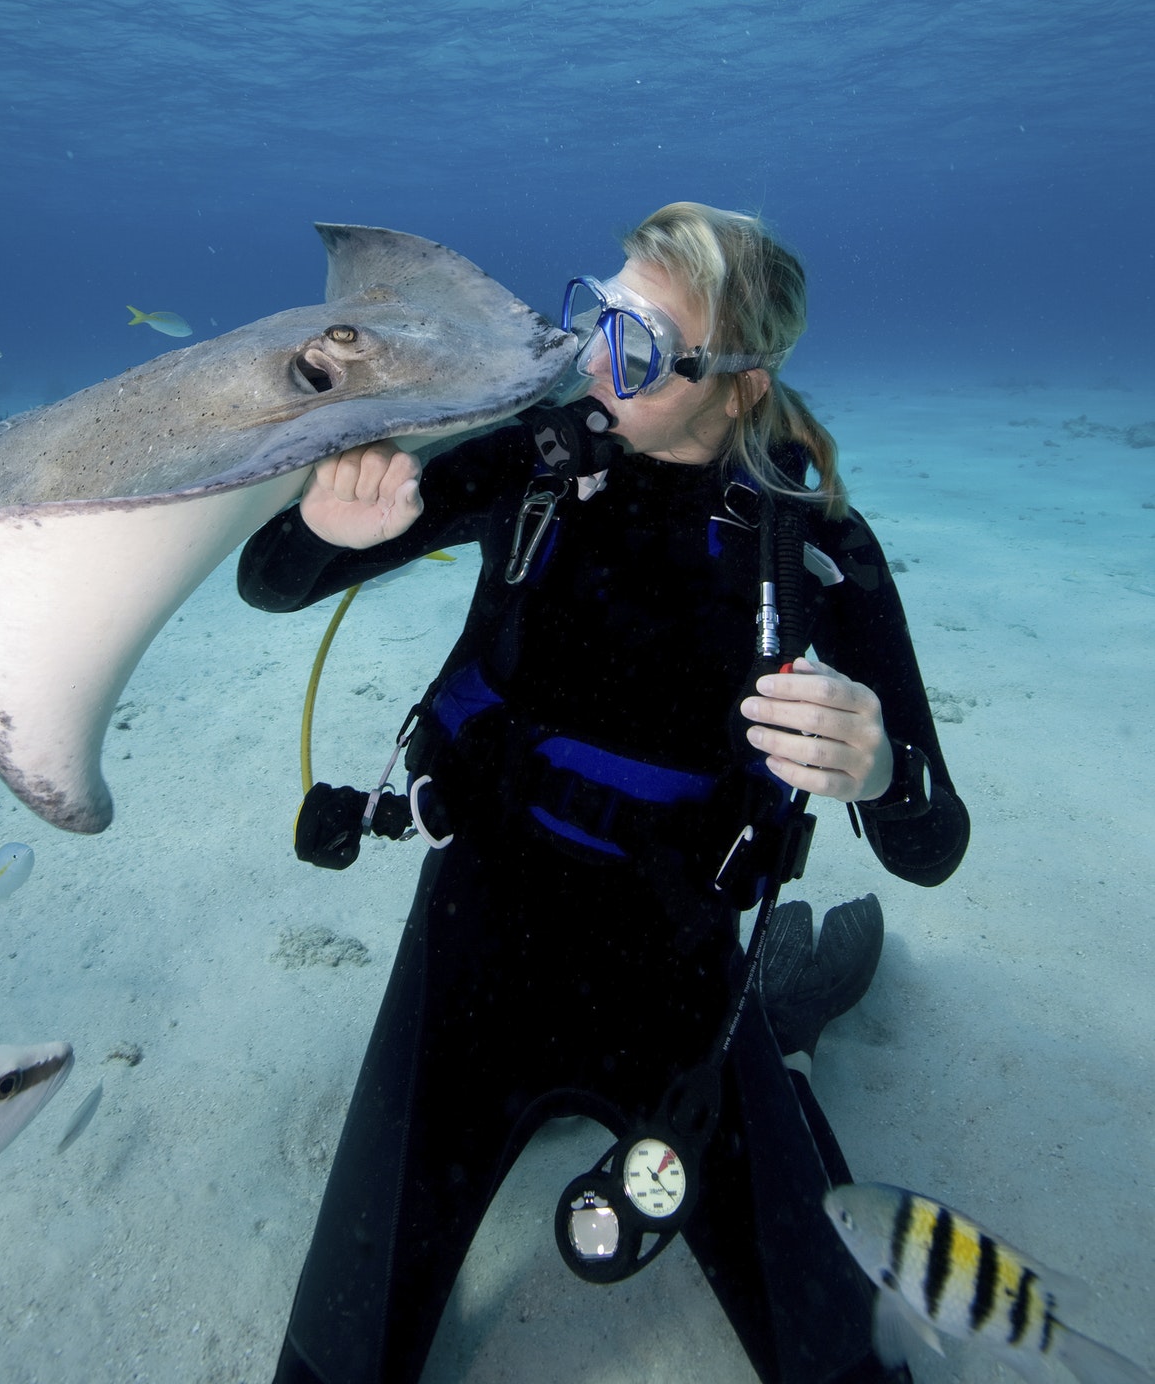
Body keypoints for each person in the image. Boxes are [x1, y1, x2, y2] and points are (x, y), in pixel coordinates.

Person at [239, 201, 969, 1384]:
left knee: (852, 1369)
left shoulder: (815, 550)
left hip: (682, 974)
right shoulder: (532, 463)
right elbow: (269, 583)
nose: (591, 360)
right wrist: (318, 529)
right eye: (596, 314)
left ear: (740, 382)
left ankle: (778, 1027)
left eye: (636, 345)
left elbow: (931, 844)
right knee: (327, 1368)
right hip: (471, 934)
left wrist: (880, 771)